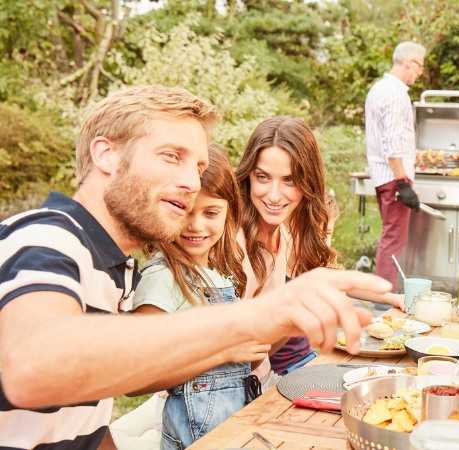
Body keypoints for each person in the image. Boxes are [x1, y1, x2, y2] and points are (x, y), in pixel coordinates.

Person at [0, 86, 389, 450]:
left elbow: (82, 427)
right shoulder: (46, 237)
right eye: (172, 156)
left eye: (198, 165)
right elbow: (29, 369)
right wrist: (249, 319)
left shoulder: (115, 272)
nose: (190, 181)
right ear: (107, 155)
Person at [236, 116, 404, 377]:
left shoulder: (279, 234)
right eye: (262, 177)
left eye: (289, 180)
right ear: (248, 175)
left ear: (308, 183)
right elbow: (239, 351)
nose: (274, 194)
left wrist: (297, 318)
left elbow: (266, 349)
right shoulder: (234, 239)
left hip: (262, 380)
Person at [131, 144, 268, 448]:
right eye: (184, 210)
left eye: (210, 212)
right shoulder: (163, 277)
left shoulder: (220, 271)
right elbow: (136, 378)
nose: (196, 225)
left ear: (229, 209)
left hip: (231, 432)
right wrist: (223, 352)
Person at [365, 41, 427, 303]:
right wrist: (403, 183)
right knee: (393, 240)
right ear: (410, 62)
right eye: (420, 67)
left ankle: (382, 295)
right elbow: (391, 143)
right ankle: (383, 299)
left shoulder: (378, 89)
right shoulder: (396, 94)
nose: (420, 73)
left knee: (390, 238)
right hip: (393, 178)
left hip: (383, 176)